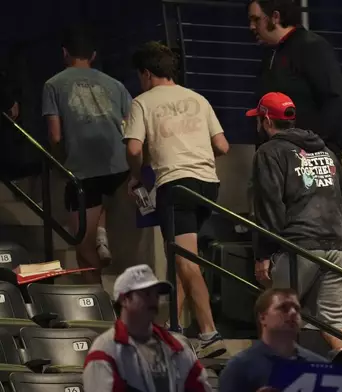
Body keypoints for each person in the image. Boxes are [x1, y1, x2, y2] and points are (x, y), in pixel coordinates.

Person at [123, 41, 230, 358]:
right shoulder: (198, 99)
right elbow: (222, 146)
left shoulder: (143, 102)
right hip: (208, 185)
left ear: (145, 73)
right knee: (183, 256)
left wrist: (139, 175)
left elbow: (132, 149)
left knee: (185, 260)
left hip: (176, 186)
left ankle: (209, 334)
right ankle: (171, 328)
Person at [246, 92, 342, 352]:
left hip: (299, 248)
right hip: (338, 249)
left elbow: (269, 205)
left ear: (265, 121)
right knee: (332, 322)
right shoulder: (326, 152)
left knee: (275, 318)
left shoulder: (269, 152)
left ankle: (278, 382)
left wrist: (263, 254)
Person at [42, 25, 131, 283]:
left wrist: (60, 161)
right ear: (93, 55)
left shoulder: (53, 85)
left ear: (64, 53)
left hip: (83, 171)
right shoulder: (116, 84)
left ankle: (99, 304)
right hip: (119, 167)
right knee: (99, 196)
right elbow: (130, 126)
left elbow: (55, 136)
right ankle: (101, 232)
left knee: (82, 245)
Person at [83, 264, 212, 392]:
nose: (153, 300)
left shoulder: (176, 347)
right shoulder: (105, 350)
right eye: (146, 294)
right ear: (124, 299)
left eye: (156, 294)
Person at [218, 288, 342, 392]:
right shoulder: (239, 367)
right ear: (262, 317)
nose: (292, 312)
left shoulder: (318, 365)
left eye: (297, 309)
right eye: (283, 308)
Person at [248, 0, 342, 161]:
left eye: (256, 19)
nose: (252, 26)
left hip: (312, 160)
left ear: (275, 17)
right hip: (279, 161)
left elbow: (334, 100)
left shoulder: (312, 46)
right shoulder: (270, 55)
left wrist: (309, 146)